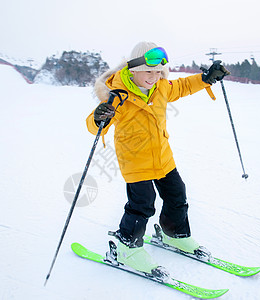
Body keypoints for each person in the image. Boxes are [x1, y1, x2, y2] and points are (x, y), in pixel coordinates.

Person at [86, 42, 229, 275]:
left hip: (163, 156)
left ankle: (174, 234)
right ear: (133, 70)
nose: (154, 77)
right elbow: (95, 127)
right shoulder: (118, 96)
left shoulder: (161, 87)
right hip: (135, 160)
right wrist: (99, 117)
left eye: (158, 72)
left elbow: (182, 86)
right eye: (148, 71)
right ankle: (126, 246)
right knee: (142, 204)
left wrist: (206, 78)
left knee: (177, 194)